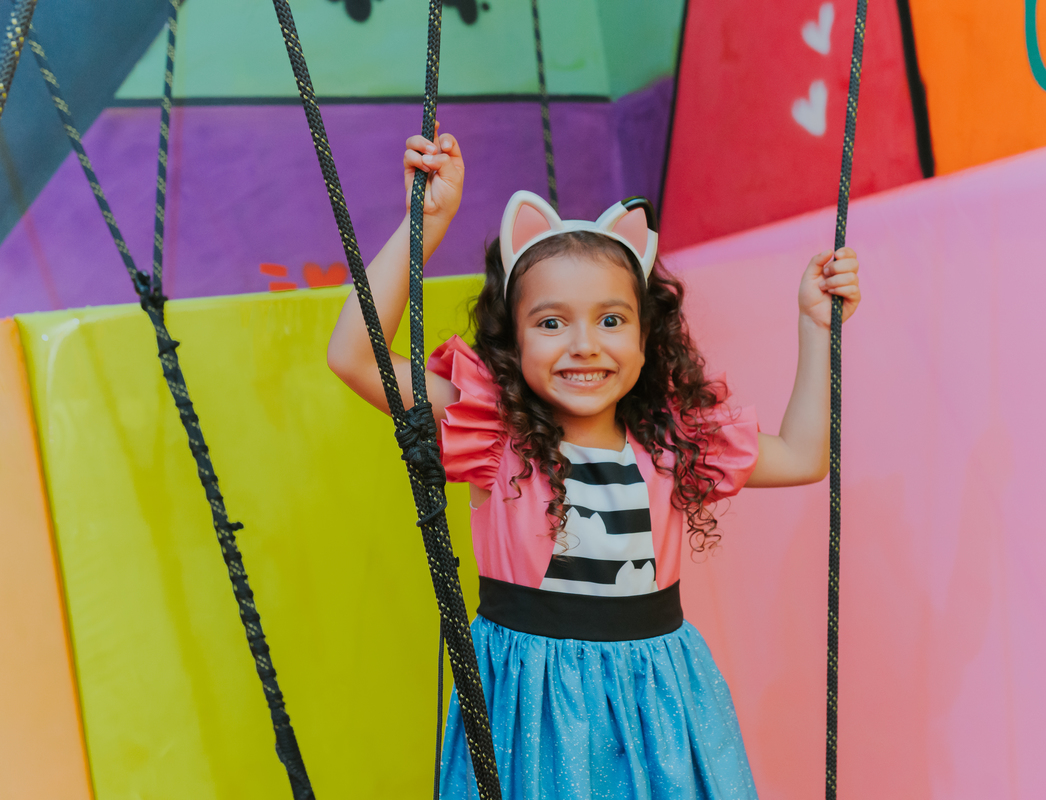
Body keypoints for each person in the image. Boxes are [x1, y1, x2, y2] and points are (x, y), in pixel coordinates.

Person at [327, 129, 861, 799]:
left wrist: (815, 328)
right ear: (512, 340)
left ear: (646, 338)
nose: (584, 345)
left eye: (611, 321)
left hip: (659, 708)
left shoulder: (671, 441)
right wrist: (424, 224)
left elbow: (805, 456)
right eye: (552, 323)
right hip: (536, 710)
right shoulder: (496, 433)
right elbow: (353, 354)